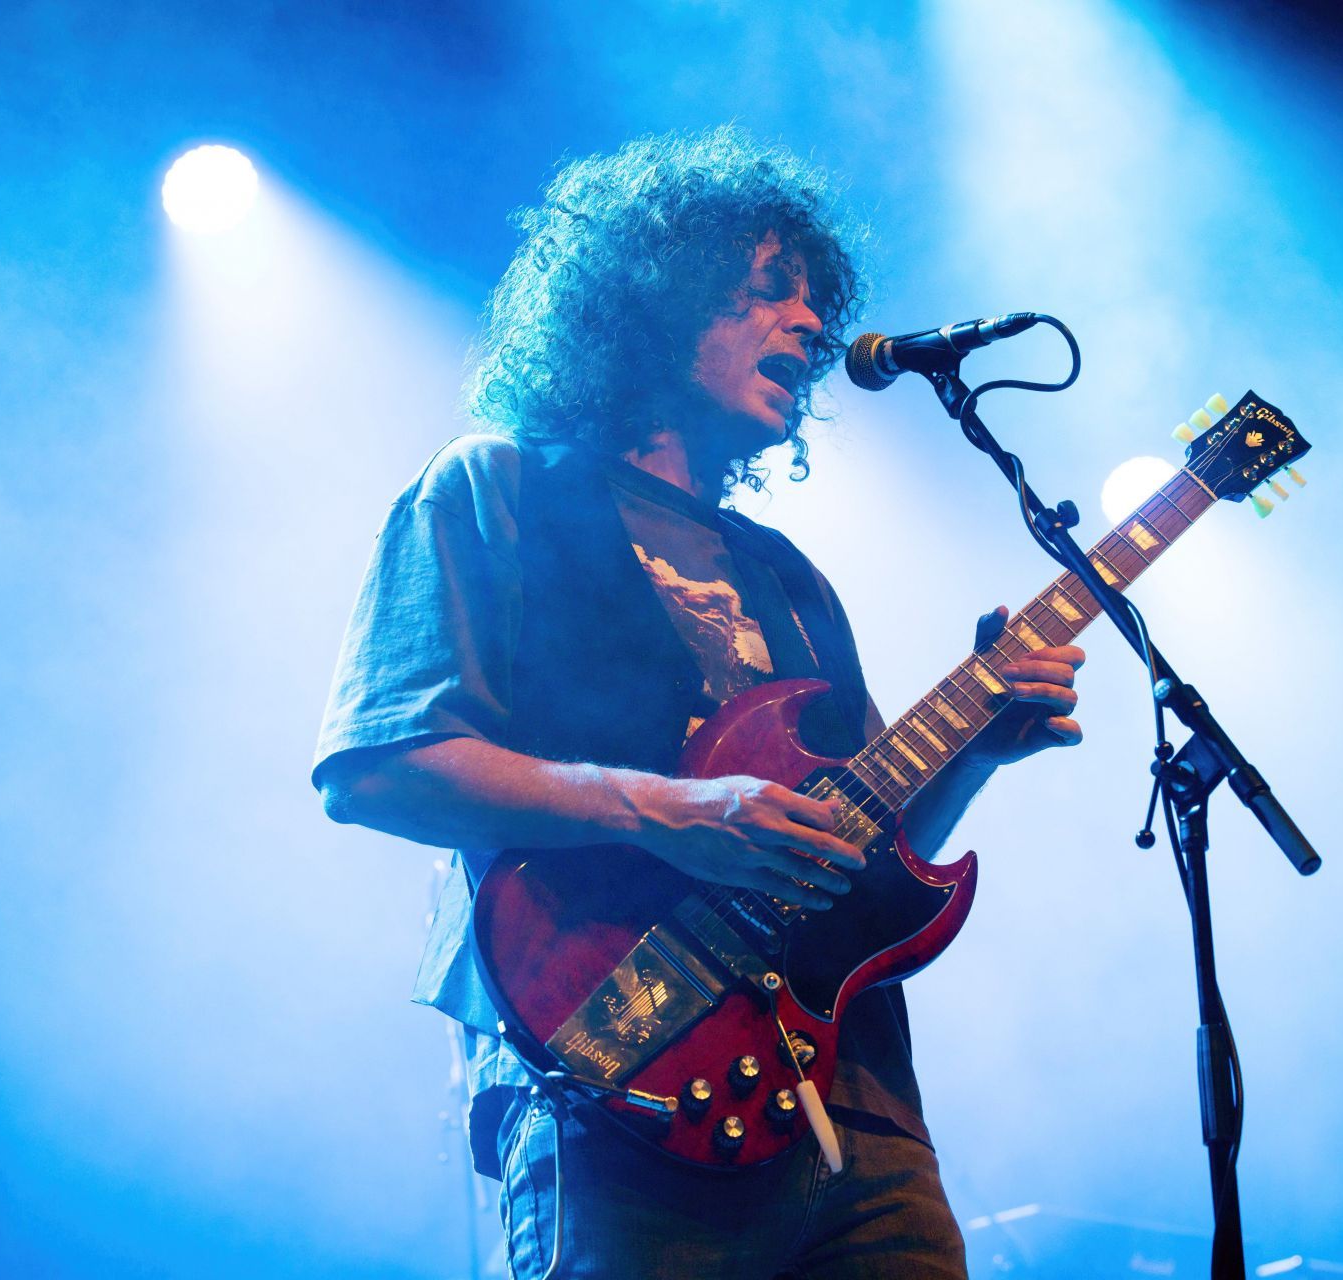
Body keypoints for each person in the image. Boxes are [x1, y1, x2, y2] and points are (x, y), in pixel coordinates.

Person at [312, 127, 1086, 1280]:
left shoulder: (789, 575)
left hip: (855, 1109)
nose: (813, 327)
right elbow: (378, 764)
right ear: (655, 304)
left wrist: (977, 747)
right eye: (770, 293)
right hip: (617, 1075)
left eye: (819, 306)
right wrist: (672, 808)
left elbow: (868, 856)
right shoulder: (494, 484)